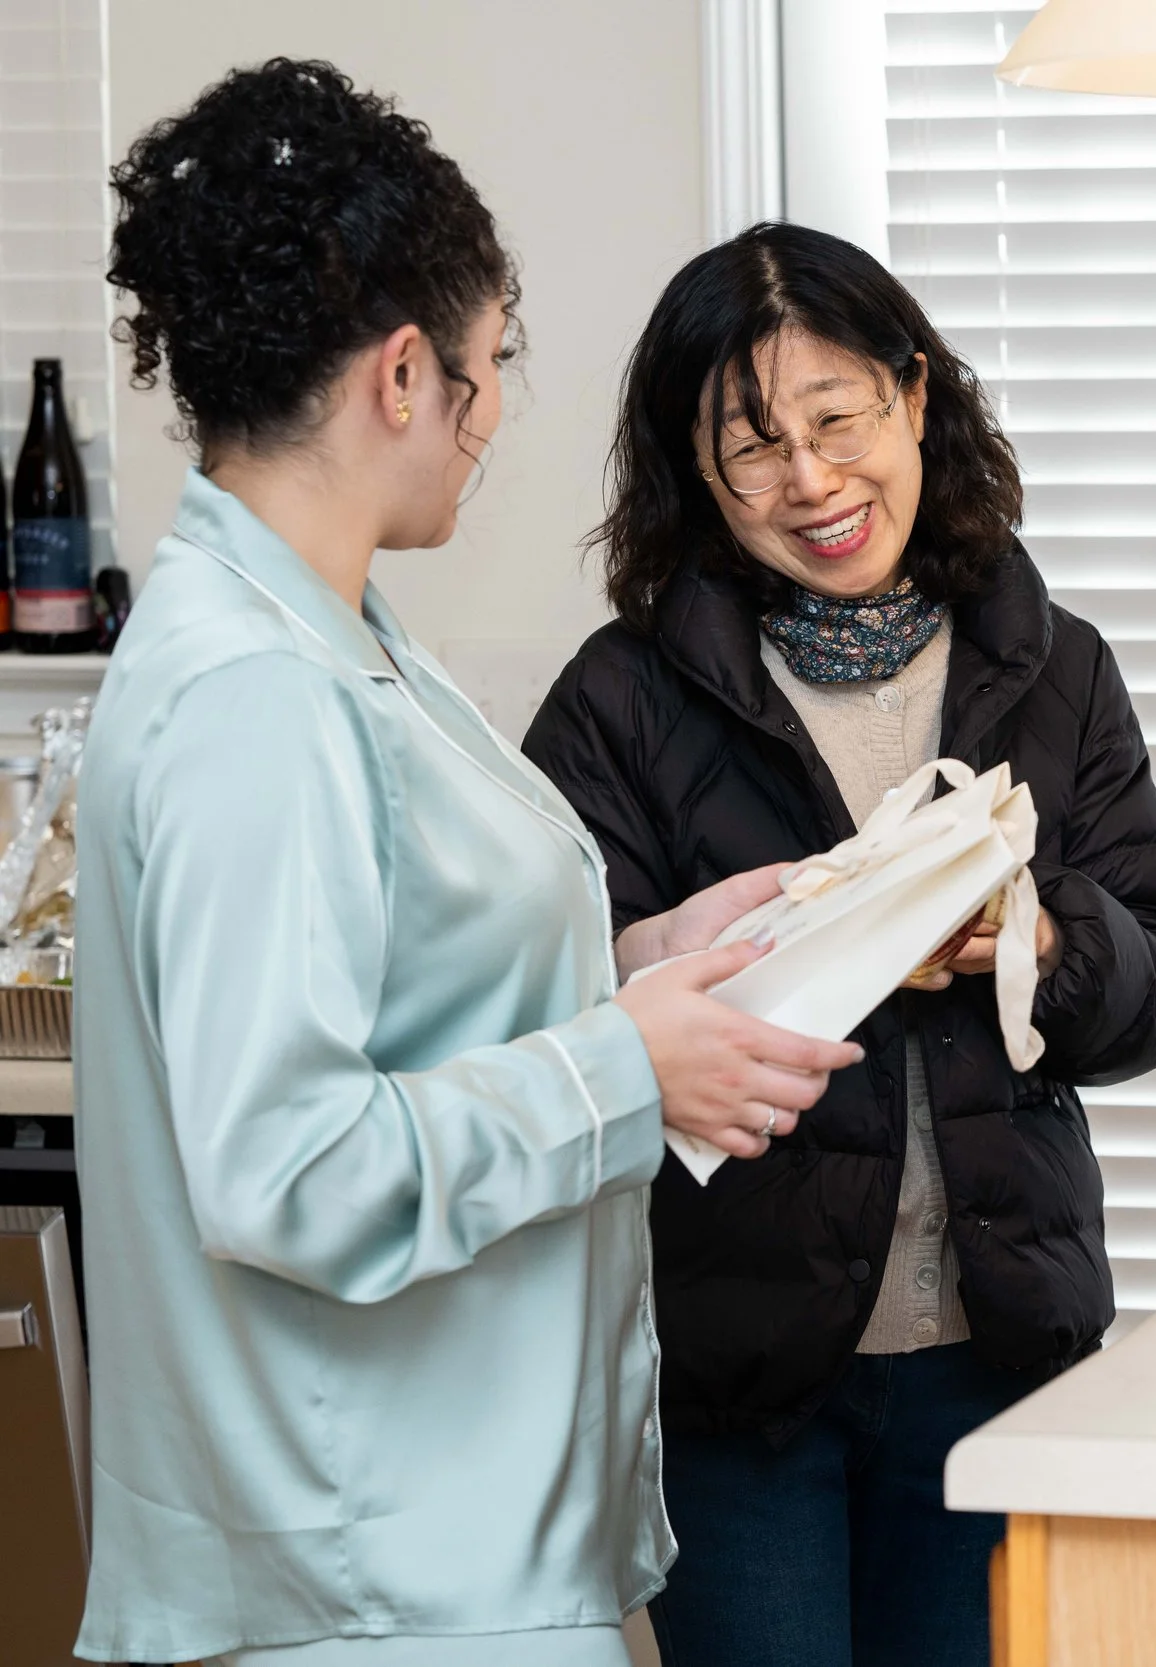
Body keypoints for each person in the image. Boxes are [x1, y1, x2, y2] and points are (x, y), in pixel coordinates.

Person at [76, 62, 857, 1667]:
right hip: (371, 1579)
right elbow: (288, 1167)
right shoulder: (254, 693)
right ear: (406, 370)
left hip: (460, 1547)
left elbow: (406, 997)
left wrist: (641, 965)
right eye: (492, 367)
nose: (495, 416)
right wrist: (621, 1069)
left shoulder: (336, 633)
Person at [522, 222, 1156, 1667]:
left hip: (999, 1349)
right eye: (753, 447)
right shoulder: (623, 697)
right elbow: (545, 1006)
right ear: (696, 475)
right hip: (737, 1377)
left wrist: (1029, 933)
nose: (813, 481)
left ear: (915, 395)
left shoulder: (1051, 662)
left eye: (839, 418)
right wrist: (682, 955)